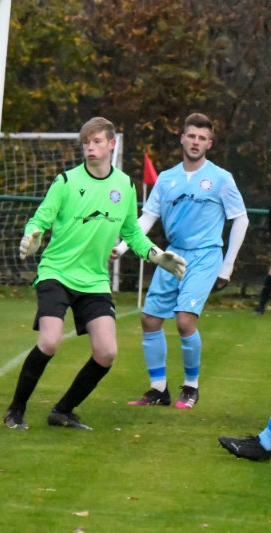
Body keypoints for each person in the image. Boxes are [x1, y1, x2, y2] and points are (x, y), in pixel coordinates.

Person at [4, 117, 186, 431]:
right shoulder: (66, 181)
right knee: (49, 341)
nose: (90, 148)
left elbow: (132, 234)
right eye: (86, 142)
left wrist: (157, 256)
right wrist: (32, 236)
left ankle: (62, 411)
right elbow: (40, 218)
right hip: (57, 273)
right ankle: (15, 410)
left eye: (97, 141)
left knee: (106, 353)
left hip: (95, 280)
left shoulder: (125, 185)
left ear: (111, 144)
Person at [115, 113, 248, 409]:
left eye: (202, 138)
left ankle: (191, 387)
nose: (196, 142)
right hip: (172, 255)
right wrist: (121, 248)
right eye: (192, 136)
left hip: (205, 256)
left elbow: (241, 219)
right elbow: (148, 217)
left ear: (209, 143)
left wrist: (227, 266)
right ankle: (158, 390)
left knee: (185, 321)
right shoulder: (166, 178)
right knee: (150, 319)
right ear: (182, 138)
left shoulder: (221, 178)